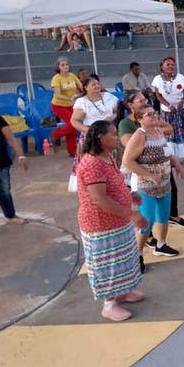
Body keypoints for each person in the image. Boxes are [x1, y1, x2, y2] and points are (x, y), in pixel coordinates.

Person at [76, 120, 147, 321]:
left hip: (118, 221)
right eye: (114, 134)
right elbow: (99, 198)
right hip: (100, 225)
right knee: (106, 264)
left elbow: (115, 183)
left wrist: (129, 194)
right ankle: (109, 304)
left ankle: (123, 292)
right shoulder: (91, 164)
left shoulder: (109, 156)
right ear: (100, 138)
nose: (118, 138)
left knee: (123, 259)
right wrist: (131, 214)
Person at [117, 92, 184, 229]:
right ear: (131, 105)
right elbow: (129, 149)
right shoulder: (127, 125)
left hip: (162, 166)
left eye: (145, 99)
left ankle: (166, 227)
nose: (145, 101)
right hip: (142, 174)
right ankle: (147, 237)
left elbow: (169, 129)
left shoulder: (154, 124)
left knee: (168, 196)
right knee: (147, 213)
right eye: (140, 100)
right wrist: (146, 134)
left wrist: (176, 163)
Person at [123, 106, 184, 266]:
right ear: (139, 119)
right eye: (149, 115)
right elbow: (127, 161)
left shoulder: (158, 131)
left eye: (154, 113)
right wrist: (149, 175)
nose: (154, 116)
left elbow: (166, 151)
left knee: (163, 217)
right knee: (147, 220)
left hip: (164, 183)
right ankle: (139, 253)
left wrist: (176, 163)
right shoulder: (139, 136)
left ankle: (161, 244)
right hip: (145, 186)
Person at [69, 75, 119, 192]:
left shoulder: (108, 97)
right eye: (93, 84)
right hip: (90, 135)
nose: (97, 86)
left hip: (108, 133)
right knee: (92, 161)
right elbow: (74, 121)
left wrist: (112, 117)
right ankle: (91, 184)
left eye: (98, 83)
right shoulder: (82, 102)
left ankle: (111, 181)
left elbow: (117, 111)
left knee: (110, 158)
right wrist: (89, 130)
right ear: (86, 87)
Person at [0, 90, 28, 224]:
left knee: (3, 190)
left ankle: (11, 215)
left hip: (0, 162)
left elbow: (12, 140)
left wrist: (21, 157)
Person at [50, 57, 83, 156]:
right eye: (62, 65)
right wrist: (69, 98)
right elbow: (58, 94)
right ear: (58, 67)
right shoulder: (56, 78)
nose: (65, 67)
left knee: (72, 126)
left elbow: (80, 87)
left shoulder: (72, 76)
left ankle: (72, 150)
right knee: (73, 124)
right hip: (58, 105)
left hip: (71, 105)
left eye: (67, 64)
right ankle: (55, 134)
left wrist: (79, 94)